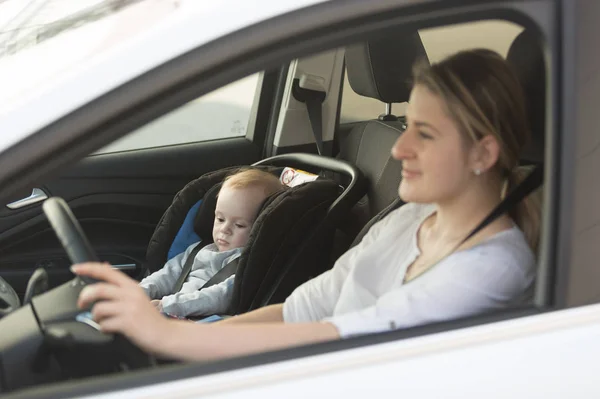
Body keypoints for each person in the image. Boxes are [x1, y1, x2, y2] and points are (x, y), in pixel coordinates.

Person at [73, 49, 542, 362]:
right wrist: (180, 327)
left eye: (426, 134)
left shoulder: (492, 267)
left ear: (483, 153)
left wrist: (173, 337)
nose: (400, 151)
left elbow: (360, 337)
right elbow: (307, 307)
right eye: (408, 128)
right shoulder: (410, 220)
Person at [140, 168, 284, 317]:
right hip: (173, 311)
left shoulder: (247, 265)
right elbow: (166, 275)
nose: (225, 229)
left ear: (261, 227)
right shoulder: (198, 249)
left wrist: (169, 305)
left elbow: (221, 297)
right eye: (220, 219)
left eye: (239, 225)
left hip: (205, 324)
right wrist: (142, 291)